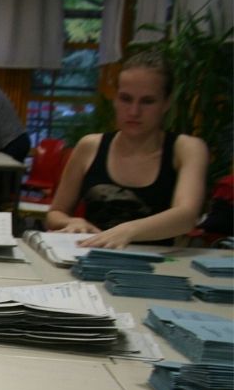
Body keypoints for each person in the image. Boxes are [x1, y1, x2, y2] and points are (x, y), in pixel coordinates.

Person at [45, 50, 207, 248]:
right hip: (90, 260)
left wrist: (126, 231)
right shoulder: (90, 146)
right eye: (125, 99)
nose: (134, 111)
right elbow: (55, 213)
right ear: (115, 99)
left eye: (147, 101)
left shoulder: (187, 149)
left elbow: (186, 216)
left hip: (156, 268)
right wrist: (71, 222)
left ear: (166, 103)